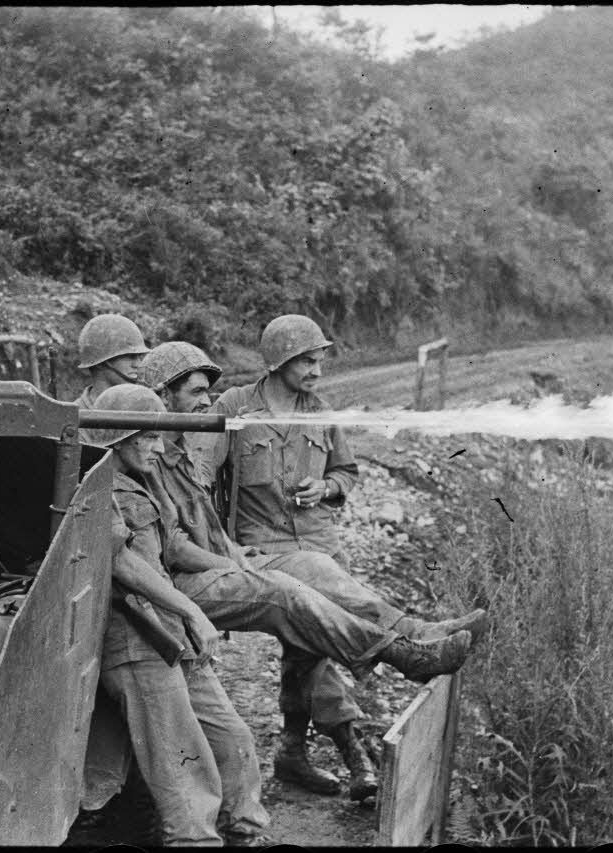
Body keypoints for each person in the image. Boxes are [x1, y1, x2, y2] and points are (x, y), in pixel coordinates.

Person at [141, 342, 480, 801]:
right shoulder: (203, 424)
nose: (317, 371)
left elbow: (344, 472)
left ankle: (403, 650)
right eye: (307, 361)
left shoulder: (315, 412)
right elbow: (181, 529)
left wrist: (325, 487)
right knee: (297, 597)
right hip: (247, 551)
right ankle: (398, 663)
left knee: (313, 606)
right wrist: (233, 557)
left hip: (295, 544)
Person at [91, 383, 271, 846]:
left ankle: (245, 829)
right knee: (183, 769)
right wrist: (192, 609)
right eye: (146, 438)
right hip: (134, 641)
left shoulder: (143, 480)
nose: (156, 445)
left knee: (233, 738)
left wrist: (225, 567)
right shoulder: (96, 484)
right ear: (117, 440)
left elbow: (170, 544)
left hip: (167, 632)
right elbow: (119, 561)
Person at [72, 313, 150, 444]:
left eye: (138, 357)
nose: (137, 364)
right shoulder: (74, 419)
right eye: (130, 356)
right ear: (103, 362)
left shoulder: (144, 406)